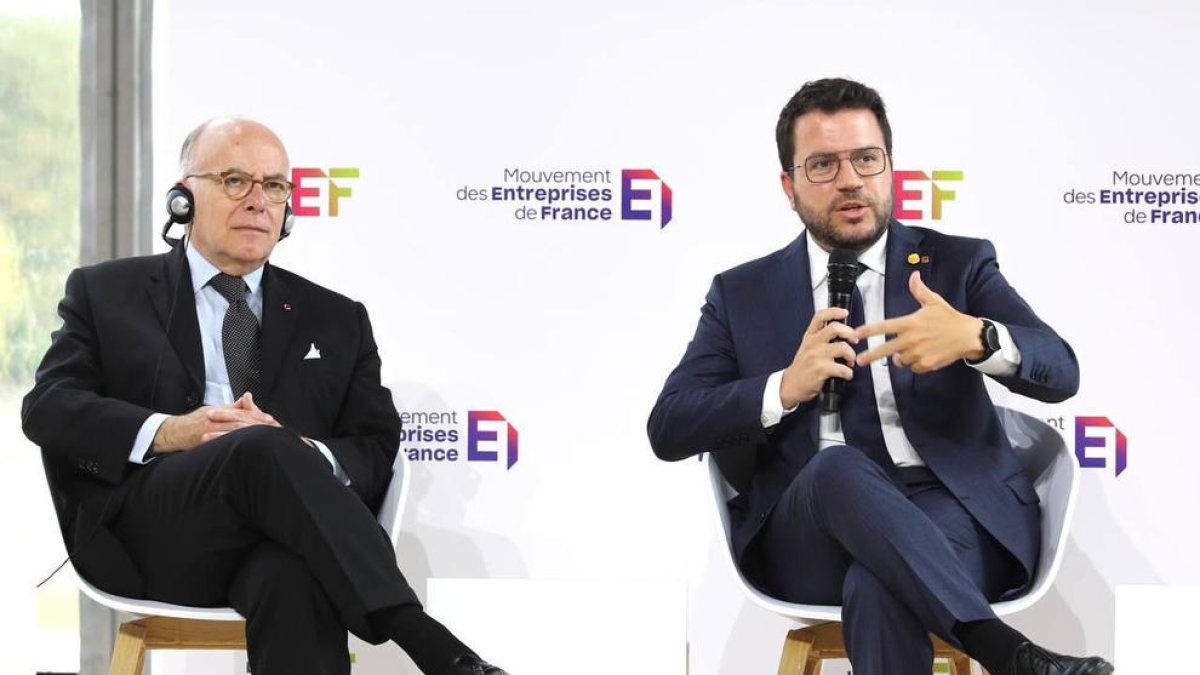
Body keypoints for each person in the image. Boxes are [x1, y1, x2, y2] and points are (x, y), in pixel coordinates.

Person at [647, 78, 1114, 675]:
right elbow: (669, 426)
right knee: (836, 466)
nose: (850, 179)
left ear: (890, 169)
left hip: (951, 512)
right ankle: (1007, 654)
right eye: (822, 165)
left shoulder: (957, 264)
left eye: (866, 159)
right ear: (789, 188)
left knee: (878, 582)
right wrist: (783, 387)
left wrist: (978, 338)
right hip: (809, 528)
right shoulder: (742, 293)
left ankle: (1008, 656)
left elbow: (1061, 369)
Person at [23, 118, 508, 675]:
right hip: (155, 536)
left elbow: (374, 447)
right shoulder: (107, 291)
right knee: (256, 449)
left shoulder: (337, 318)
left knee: (295, 573)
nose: (259, 201)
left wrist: (299, 448)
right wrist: (173, 430)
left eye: (274, 186)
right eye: (235, 181)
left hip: (283, 539)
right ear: (183, 197)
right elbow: (48, 407)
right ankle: (423, 639)